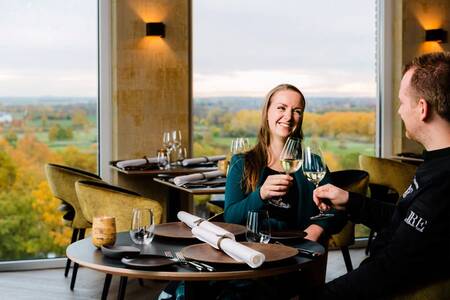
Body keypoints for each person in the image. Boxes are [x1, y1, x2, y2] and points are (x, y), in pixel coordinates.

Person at [312, 52, 450, 299]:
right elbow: (406, 222)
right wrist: (350, 201)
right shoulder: (435, 163)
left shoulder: (444, 183)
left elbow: (389, 269)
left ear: (421, 108)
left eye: (402, 102)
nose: (398, 111)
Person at [224, 83, 346, 242]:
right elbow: (230, 218)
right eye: (281, 108)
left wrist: (317, 228)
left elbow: (339, 212)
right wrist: (260, 195)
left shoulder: (312, 163)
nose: (288, 117)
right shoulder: (241, 163)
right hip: (255, 253)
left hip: (302, 254)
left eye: (297, 111)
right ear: (267, 112)